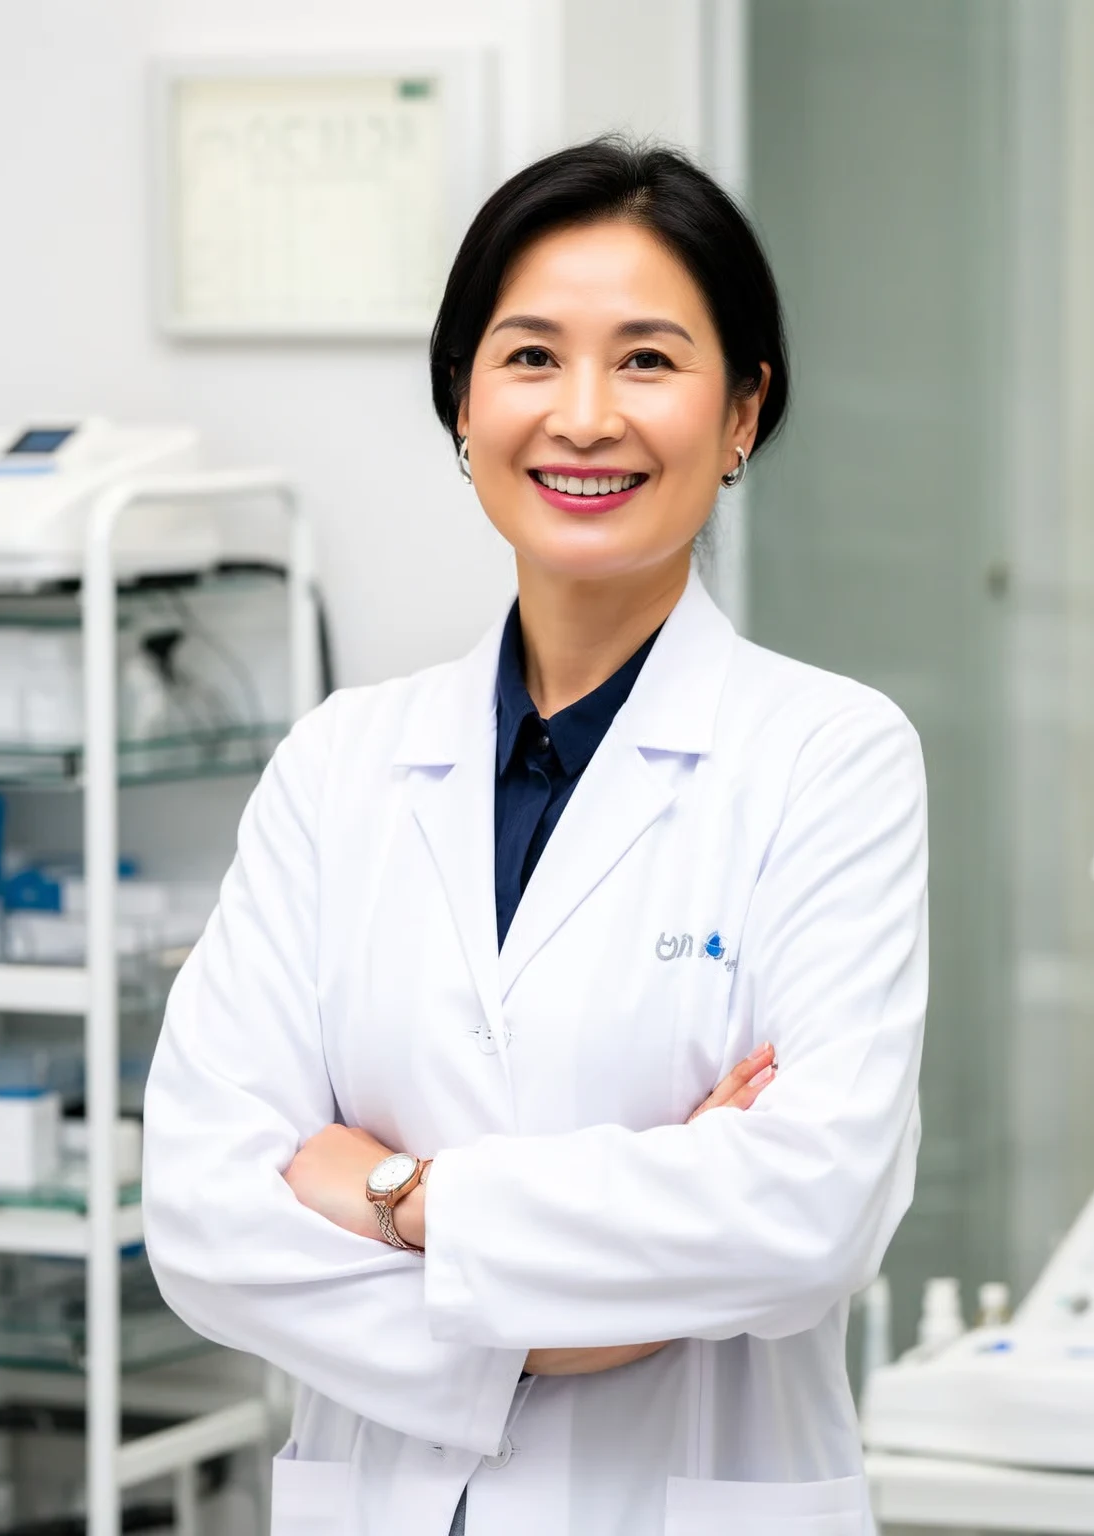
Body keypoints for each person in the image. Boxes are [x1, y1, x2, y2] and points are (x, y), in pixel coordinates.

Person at [143, 137, 928, 1536]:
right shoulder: (338, 766)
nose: (584, 415)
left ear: (742, 412)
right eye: (529, 357)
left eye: (647, 360)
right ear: (463, 401)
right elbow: (205, 1213)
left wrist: (392, 1193)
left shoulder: (830, 758)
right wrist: (549, 1339)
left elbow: (809, 1214)